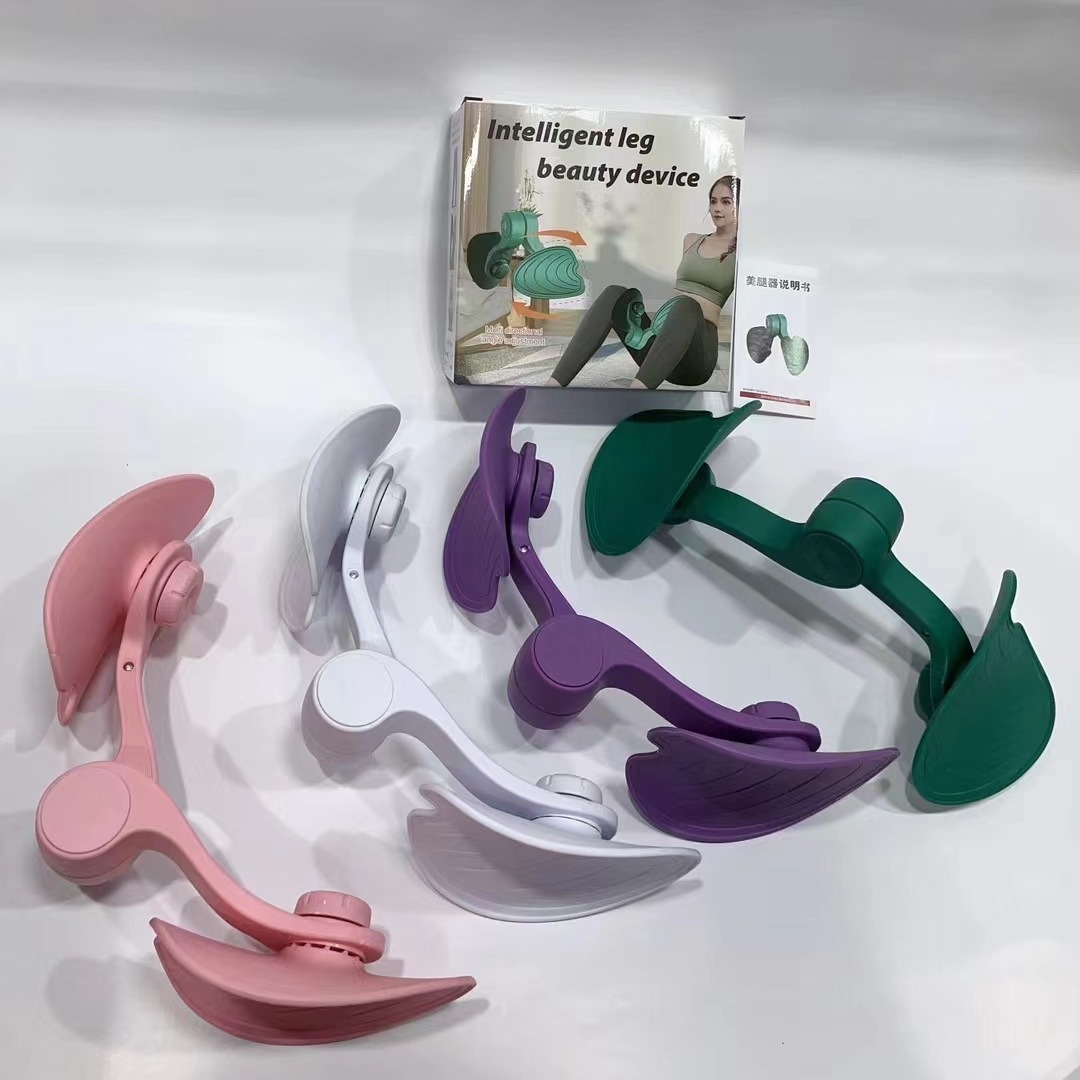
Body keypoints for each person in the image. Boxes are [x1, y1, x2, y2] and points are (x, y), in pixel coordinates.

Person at [546, 175, 739, 389]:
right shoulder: (692, 240)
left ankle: (636, 393)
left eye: (726, 202)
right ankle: (553, 385)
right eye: (713, 201)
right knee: (614, 293)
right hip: (662, 350)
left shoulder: (742, 252)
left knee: (686, 305)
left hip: (697, 360)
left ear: (740, 207)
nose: (717, 208)